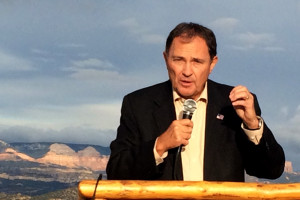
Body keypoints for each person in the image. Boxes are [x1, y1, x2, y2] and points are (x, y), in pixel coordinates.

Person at [106, 22, 285, 182]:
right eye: (178, 60)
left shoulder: (234, 105)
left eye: (197, 62)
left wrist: (252, 125)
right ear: (165, 59)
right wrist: (160, 145)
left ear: (212, 63)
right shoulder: (138, 104)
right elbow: (116, 172)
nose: (187, 71)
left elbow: (271, 170)